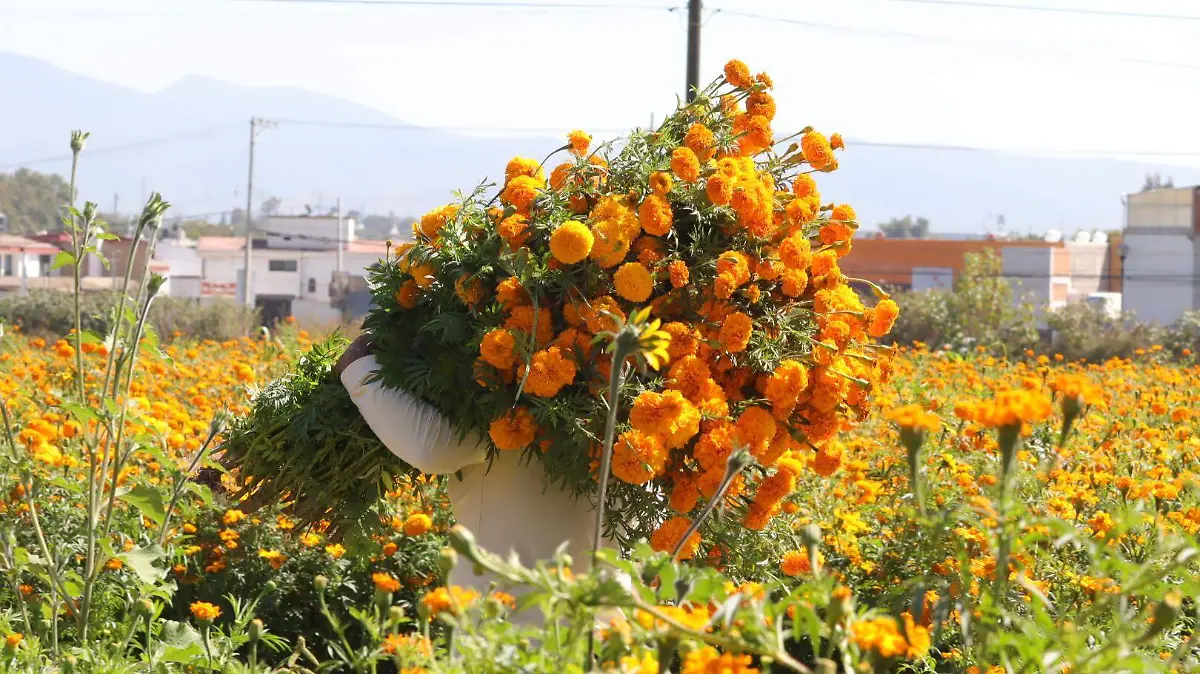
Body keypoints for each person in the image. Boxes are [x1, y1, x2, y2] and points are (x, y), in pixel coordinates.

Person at [335, 332, 605, 619]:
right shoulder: (631, 379)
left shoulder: (510, 382)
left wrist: (360, 371)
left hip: (513, 622)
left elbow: (433, 447)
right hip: (616, 626)